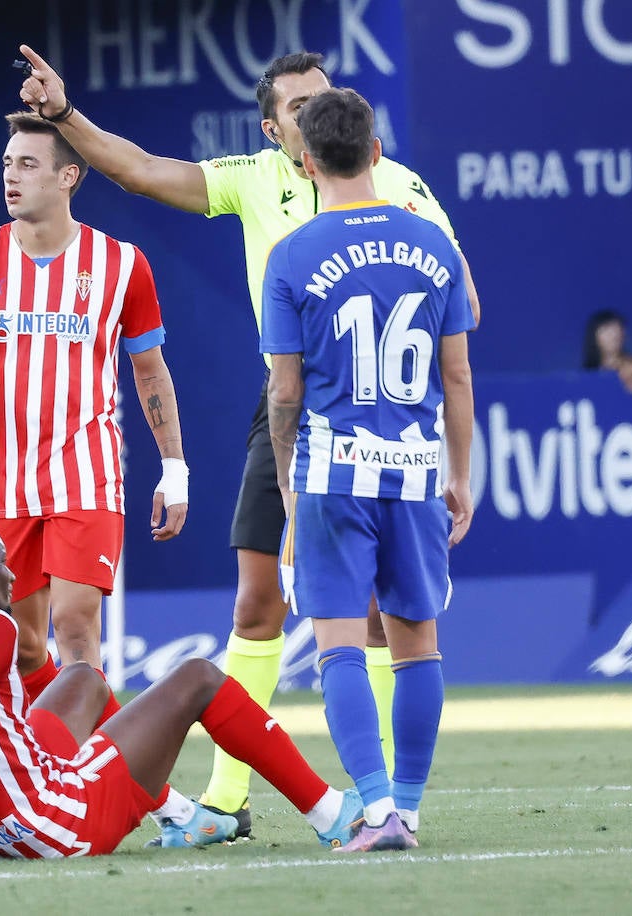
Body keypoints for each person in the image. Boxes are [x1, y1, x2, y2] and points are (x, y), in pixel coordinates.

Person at [17, 46, 482, 835]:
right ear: (273, 129)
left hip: (365, 413)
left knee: (373, 621)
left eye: (322, 100)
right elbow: (134, 169)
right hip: (289, 409)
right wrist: (63, 116)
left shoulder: (402, 185)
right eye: (296, 106)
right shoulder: (254, 178)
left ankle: (381, 801)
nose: (311, 114)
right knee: (259, 601)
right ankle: (233, 797)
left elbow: (461, 297)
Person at [0, 512, 364, 865]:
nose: (12, 571)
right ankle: (331, 812)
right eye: (0, 560)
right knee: (200, 678)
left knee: (81, 677)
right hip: (55, 823)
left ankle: (183, 816)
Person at [0, 111, 189, 703]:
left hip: (85, 471)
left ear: (70, 176)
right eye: (7, 164)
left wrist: (175, 470)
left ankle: (118, 777)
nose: (11, 177)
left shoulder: (122, 264)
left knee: (75, 627)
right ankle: (69, 766)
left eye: (28, 165)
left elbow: (150, 371)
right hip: (3, 481)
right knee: (27, 644)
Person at [260, 88, 475, 851]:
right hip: (415, 472)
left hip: (332, 472)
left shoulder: (292, 254)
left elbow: (285, 392)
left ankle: (377, 810)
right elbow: (456, 378)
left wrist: (288, 481)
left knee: (340, 646)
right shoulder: (434, 244)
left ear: (307, 160)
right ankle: (409, 811)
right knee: (419, 643)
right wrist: (459, 473)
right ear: (377, 153)